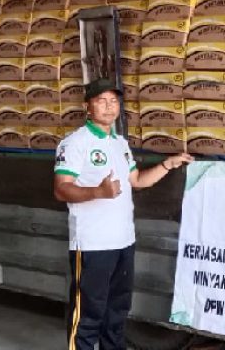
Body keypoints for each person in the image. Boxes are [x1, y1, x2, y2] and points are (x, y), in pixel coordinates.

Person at [53, 78, 194, 350]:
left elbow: (137, 180)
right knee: (87, 314)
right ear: (87, 106)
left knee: (117, 312)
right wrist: (98, 191)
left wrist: (168, 164)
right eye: (101, 101)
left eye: (113, 101)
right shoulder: (75, 143)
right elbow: (61, 189)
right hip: (92, 244)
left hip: (123, 242)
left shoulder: (119, 143)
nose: (109, 107)